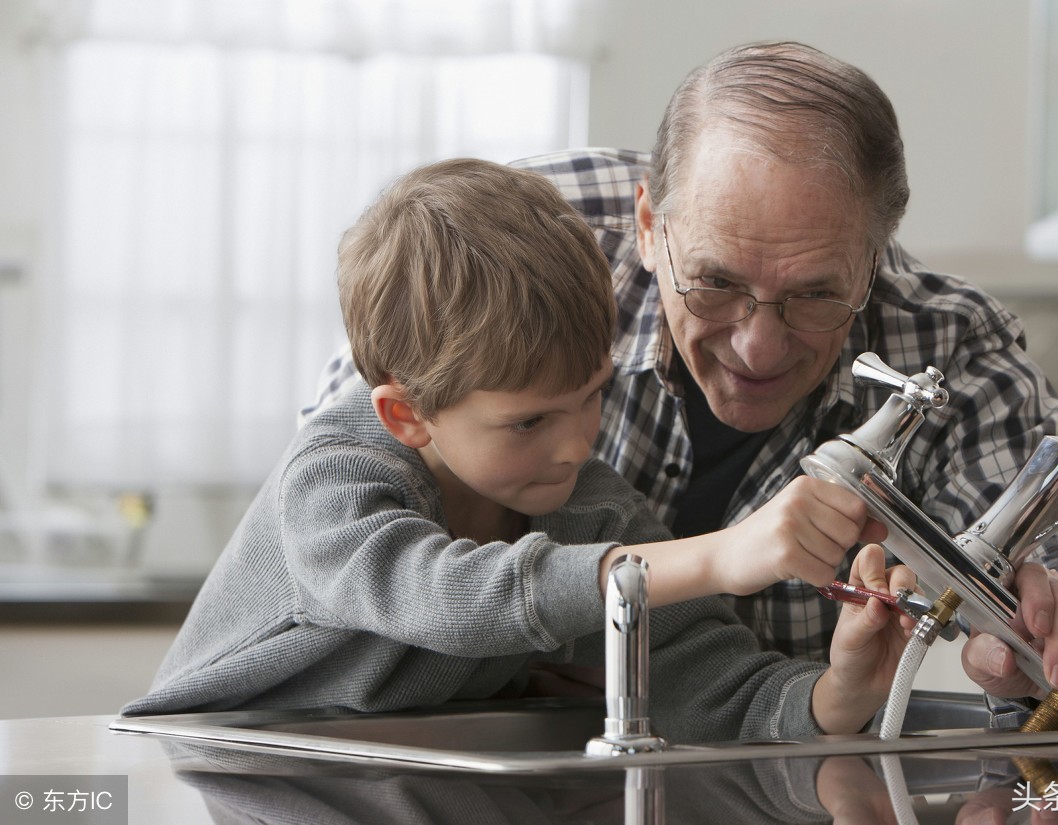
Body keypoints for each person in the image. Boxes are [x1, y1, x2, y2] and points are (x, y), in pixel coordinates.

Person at [302, 42, 1058, 722]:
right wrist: (714, 561)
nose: (757, 342)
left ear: (875, 257)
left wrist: (1051, 634)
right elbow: (347, 522)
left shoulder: (951, 349)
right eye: (715, 282)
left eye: (816, 293)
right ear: (644, 226)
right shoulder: (516, 250)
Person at [122, 158, 915, 742]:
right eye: (530, 421)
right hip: (204, 768)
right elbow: (449, 596)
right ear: (407, 415)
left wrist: (838, 694)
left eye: (593, 394)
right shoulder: (334, 476)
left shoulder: (580, 498)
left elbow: (703, 677)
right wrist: (716, 556)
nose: (577, 443)